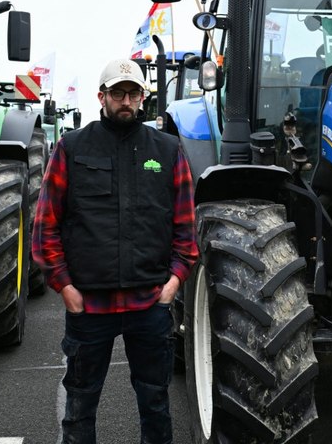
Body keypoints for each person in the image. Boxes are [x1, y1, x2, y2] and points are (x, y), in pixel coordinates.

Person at [31, 58, 198, 444]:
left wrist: (174, 283)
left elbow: (186, 226)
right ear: (101, 97)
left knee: (155, 403)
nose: (126, 101)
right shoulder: (72, 148)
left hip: (149, 305)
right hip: (90, 306)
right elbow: (46, 224)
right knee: (80, 406)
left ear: (143, 98)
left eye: (133, 93)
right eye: (118, 93)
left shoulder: (168, 150)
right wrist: (65, 288)